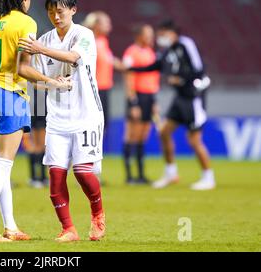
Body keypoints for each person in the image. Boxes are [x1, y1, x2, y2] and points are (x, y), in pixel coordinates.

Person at [0, 0, 70, 243]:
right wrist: (53, 82)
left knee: (1, 162)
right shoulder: (26, 22)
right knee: (3, 162)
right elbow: (23, 68)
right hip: (9, 94)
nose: (30, 0)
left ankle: (11, 227)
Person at [19, 0, 106, 242]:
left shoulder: (84, 35)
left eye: (60, 11)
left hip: (86, 114)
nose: (56, 17)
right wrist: (49, 81)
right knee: (55, 175)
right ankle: (68, 229)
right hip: (56, 117)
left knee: (82, 172)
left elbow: (72, 57)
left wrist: (39, 50)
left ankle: (97, 214)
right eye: (50, 12)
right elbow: (26, 71)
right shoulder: (43, 40)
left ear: (73, 10)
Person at [125, 19, 214, 190]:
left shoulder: (185, 44)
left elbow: (198, 69)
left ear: (171, 33)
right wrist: (132, 70)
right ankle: (171, 173)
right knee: (164, 132)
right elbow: (156, 66)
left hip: (193, 98)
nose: (160, 38)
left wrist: (180, 77)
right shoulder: (169, 50)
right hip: (180, 98)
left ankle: (208, 177)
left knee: (194, 140)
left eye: (162, 34)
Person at [122, 24, 160, 185]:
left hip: (149, 97)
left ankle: (141, 175)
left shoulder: (151, 52)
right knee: (132, 135)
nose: (151, 37)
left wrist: (155, 102)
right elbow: (129, 78)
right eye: (148, 34)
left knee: (143, 136)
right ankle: (130, 176)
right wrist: (133, 102)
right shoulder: (131, 52)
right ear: (139, 36)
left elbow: (153, 79)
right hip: (137, 96)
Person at [82, 12, 114, 139]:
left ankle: (95, 154)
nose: (109, 26)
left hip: (105, 88)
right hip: (93, 88)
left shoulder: (103, 41)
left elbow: (109, 60)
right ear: (96, 25)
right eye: (106, 23)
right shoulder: (87, 40)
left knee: (103, 123)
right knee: (91, 124)